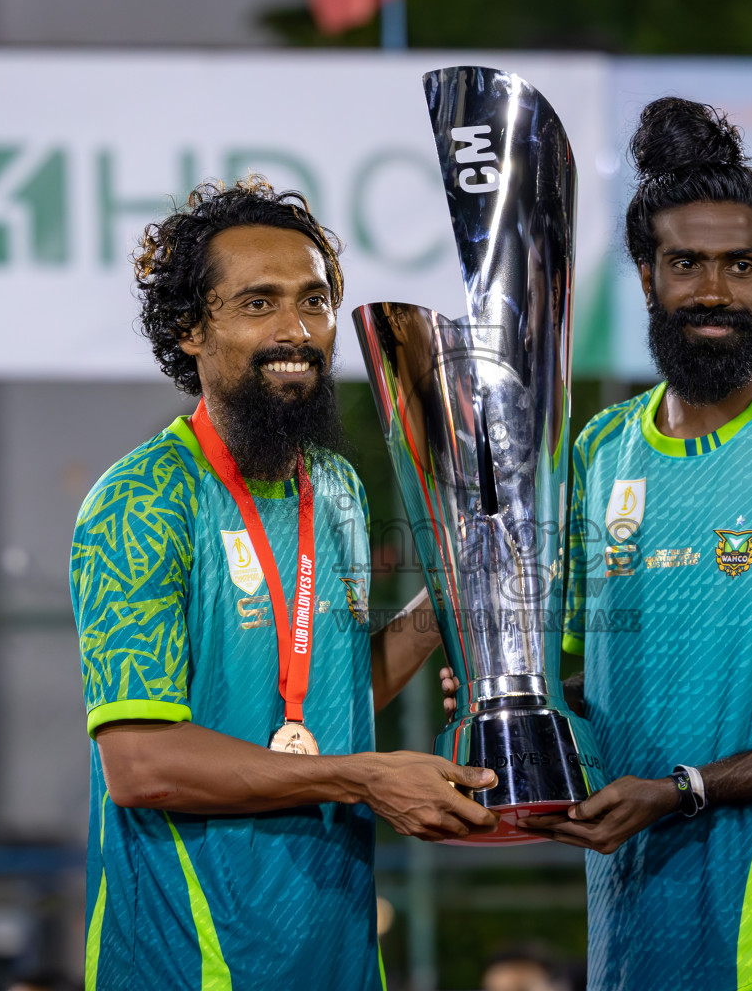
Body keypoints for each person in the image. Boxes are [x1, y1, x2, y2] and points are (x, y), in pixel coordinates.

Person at [444, 99, 752, 990]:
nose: (714, 292)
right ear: (646, 274)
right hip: (634, 938)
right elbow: (604, 683)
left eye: (741, 266)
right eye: (686, 264)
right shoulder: (599, 449)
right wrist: (511, 694)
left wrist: (686, 789)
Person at [71, 177, 499, 991]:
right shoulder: (141, 501)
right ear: (192, 329)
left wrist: (452, 593)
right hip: (189, 965)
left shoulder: (334, 486)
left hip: (334, 955)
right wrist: (366, 776)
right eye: (259, 304)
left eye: (314, 301)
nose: (297, 331)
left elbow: (331, 696)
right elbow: (141, 763)